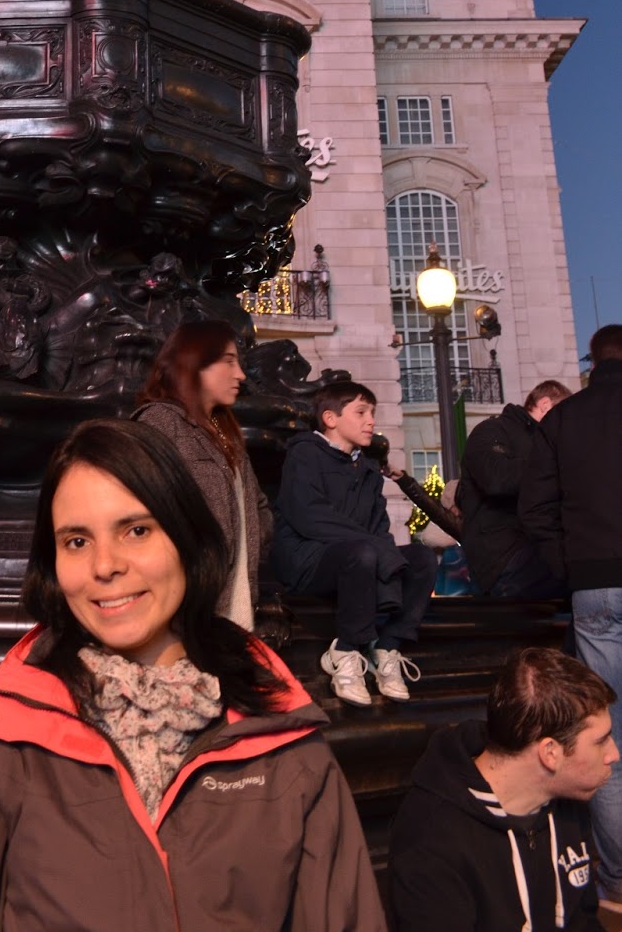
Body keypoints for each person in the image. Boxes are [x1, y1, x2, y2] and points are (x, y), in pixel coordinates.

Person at [0, 418, 386, 931]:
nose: (105, 565)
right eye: (77, 541)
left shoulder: (279, 733)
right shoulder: (4, 731)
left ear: (188, 542)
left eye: (137, 530)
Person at [390, 647, 617, 931]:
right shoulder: (431, 839)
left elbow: (583, 922)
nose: (614, 754)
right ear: (550, 753)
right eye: (601, 741)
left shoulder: (568, 799)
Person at [520, 325, 622, 913]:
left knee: (606, 739)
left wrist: (570, 569)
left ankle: (616, 886)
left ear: (592, 362)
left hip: (598, 585)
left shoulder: (563, 419)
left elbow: (537, 509)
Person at [273, 379, 437, 707]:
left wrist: (384, 552)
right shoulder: (305, 454)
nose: (371, 420)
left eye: (372, 412)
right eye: (361, 412)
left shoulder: (368, 470)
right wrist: (378, 550)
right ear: (331, 419)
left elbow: (379, 528)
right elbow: (309, 516)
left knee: (421, 558)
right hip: (307, 559)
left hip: (359, 558)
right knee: (363, 552)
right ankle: (345, 651)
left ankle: (386, 647)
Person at [134, 321, 273, 629]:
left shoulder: (226, 432)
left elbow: (259, 505)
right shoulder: (160, 422)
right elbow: (144, 511)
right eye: (228, 361)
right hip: (184, 608)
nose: (240, 374)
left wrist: (248, 539)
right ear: (194, 363)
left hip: (235, 603)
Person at [457, 378, 569, 599]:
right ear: (546, 405)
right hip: (505, 558)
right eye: (564, 414)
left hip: (533, 553)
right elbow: (496, 478)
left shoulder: (544, 443)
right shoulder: (493, 429)